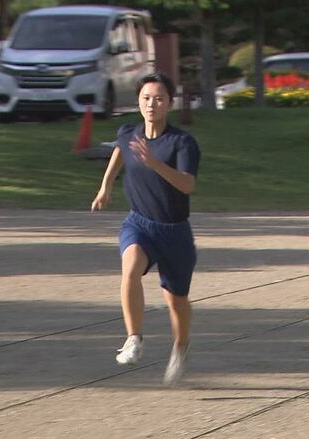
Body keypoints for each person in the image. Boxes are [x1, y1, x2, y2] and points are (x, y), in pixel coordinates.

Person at [91, 72, 201, 386]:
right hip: (139, 223)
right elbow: (120, 152)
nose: (151, 104)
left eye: (158, 98)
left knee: (176, 300)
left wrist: (155, 164)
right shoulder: (128, 133)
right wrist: (105, 187)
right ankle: (134, 338)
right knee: (130, 269)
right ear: (139, 101)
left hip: (175, 231)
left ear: (169, 103)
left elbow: (187, 184)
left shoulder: (182, 142)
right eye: (146, 98)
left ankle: (180, 347)